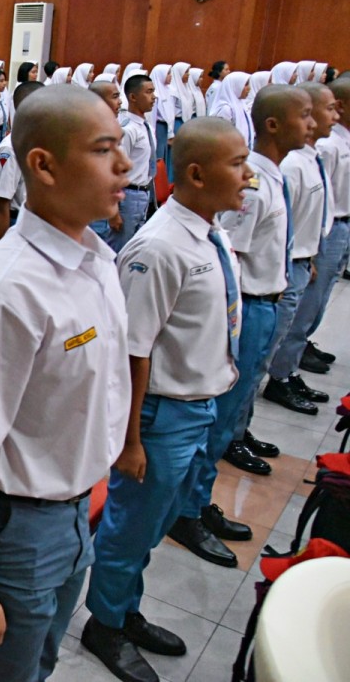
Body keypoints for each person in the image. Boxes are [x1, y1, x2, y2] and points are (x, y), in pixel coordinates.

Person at [0, 85, 132, 682]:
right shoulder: (6, 292)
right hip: (16, 530)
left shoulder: (96, 258)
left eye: (120, 147)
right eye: (104, 151)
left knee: (36, 666)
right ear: (43, 165)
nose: (124, 166)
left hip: (73, 513)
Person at [82, 118, 249, 682]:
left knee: (152, 526)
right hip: (160, 415)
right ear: (197, 174)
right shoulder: (157, 247)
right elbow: (133, 350)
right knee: (130, 526)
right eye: (237, 164)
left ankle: (125, 609)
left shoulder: (209, 231)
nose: (248, 176)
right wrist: (128, 440)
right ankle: (104, 621)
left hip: (196, 405)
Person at [168, 85, 313, 567]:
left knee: (229, 418)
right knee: (218, 418)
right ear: (273, 123)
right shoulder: (253, 188)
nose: (313, 123)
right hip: (246, 307)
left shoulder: (270, 177)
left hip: (264, 303)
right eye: (306, 115)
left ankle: (199, 501)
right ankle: (186, 510)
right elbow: (232, 254)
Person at [260, 82, 337, 414]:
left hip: (303, 257)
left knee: (300, 321)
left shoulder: (310, 158)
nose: (332, 116)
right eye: (308, 114)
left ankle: (285, 373)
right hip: (288, 264)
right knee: (271, 342)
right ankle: (277, 380)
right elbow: (282, 223)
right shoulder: (291, 165)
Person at [294, 78, 350, 372]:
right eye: (330, 109)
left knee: (321, 297)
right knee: (308, 300)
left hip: (340, 224)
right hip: (327, 229)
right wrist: (314, 249)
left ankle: (302, 342)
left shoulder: (337, 141)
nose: (335, 116)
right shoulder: (328, 146)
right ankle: (290, 359)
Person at [93, 73, 157, 253]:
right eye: (149, 92)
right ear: (133, 97)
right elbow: (115, 170)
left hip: (143, 193)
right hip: (128, 194)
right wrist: (114, 211)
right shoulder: (128, 129)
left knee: (135, 248)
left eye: (154, 92)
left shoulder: (146, 127)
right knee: (120, 250)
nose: (154, 97)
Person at [0, 81, 41, 242]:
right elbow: (2, 203)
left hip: (34, 221)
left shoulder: (35, 141)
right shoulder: (10, 149)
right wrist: (3, 247)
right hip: (16, 223)